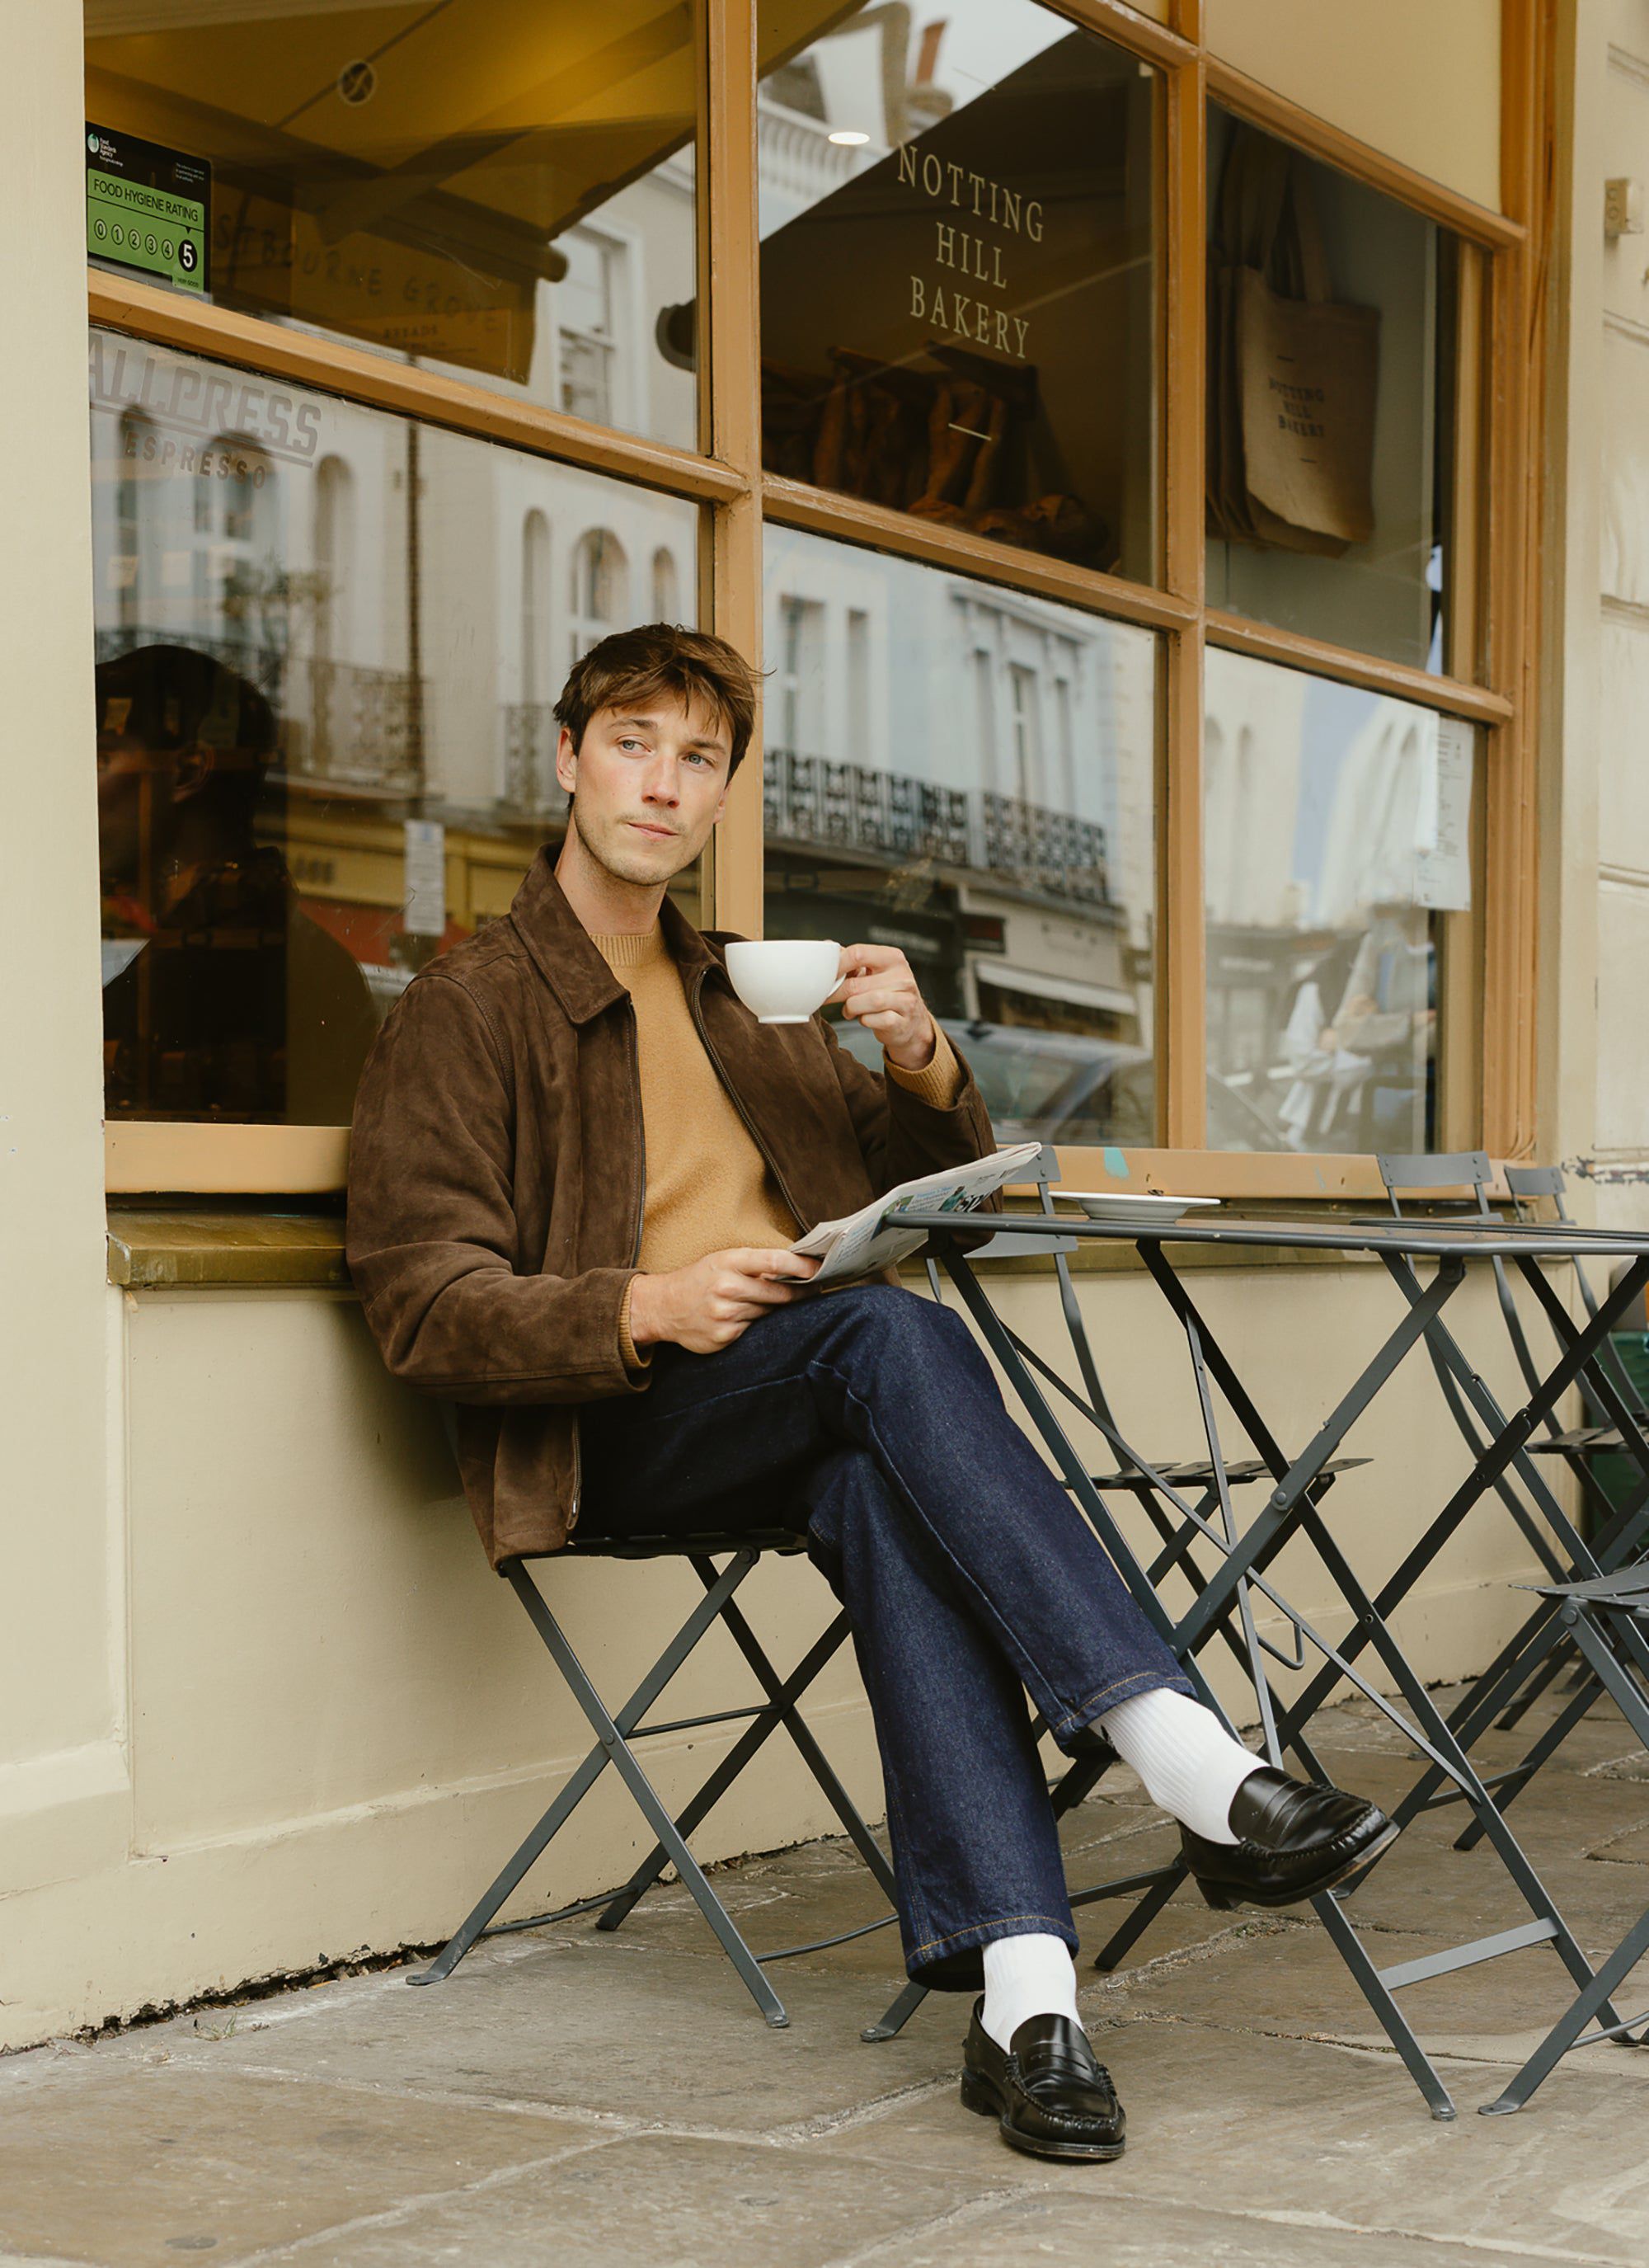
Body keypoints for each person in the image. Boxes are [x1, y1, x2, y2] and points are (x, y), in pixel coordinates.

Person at [345, 623, 1398, 2166]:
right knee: (884, 1340)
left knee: (884, 1488)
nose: (663, 783)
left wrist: (913, 1056)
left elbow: (935, 1203)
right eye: (633, 744)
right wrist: (647, 1300)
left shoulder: (742, 995)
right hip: (618, 1421)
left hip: (803, 1416)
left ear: (720, 797)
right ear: (568, 759)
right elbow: (424, 1304)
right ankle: (1190, 1760)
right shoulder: (471, 1003)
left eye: (698, 759)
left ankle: (1029, 2007)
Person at [96, 642, 378, 1122]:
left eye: (101, 758)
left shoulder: (221, 965)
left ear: (186, 772)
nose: (73, 784)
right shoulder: (288, 952)